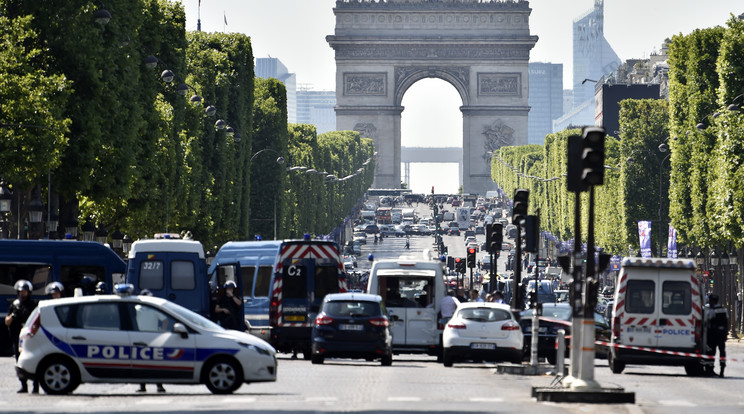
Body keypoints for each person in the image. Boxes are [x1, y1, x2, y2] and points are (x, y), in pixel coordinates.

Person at [5, 280, 39, 393]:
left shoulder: (33, 305)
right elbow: (7, 321)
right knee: (19, 362)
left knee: (34, 361)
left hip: (30, 337)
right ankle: (24, 386)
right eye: (21, 292)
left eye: (25, 291)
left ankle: (36, 386)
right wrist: (12, 316)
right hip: (17, 338)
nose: (23, 294)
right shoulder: (15, 304)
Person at [136, 289, 166, 393]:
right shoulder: (137, 309)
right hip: (141, 338)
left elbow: (165, 320)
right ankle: (143, 386)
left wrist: (162, 331)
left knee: (155, 363)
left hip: (153, 337)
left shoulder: (153, 309)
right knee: (142, 364)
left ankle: (159, 386)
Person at [705, 293, 729, 377]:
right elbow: (727, 321)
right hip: (722, 334)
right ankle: (722, 370)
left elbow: (707, 322)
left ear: (712, 301)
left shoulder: (712, 311)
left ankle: (710, 369)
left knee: (711, 352)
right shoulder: (723, 310)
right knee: (722, 352)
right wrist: (726, 332)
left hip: (713, 335)